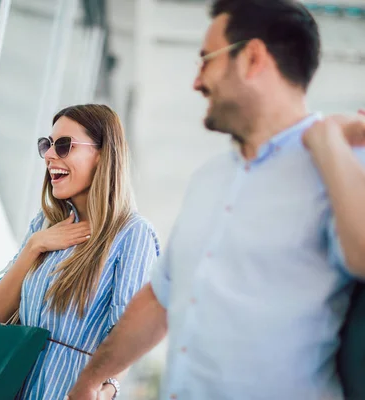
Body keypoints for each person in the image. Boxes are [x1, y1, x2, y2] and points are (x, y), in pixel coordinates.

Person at [67, 1, 365, 399]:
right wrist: (87, 382)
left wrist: (327, 138)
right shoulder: (208, 179)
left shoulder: (343, 162)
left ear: (253, 58)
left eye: (206, 59)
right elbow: (160, 297)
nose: (196, 81)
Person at [0, 104, 160, 399]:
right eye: (48, 145)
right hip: (15, 389)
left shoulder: (133, 234)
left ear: (102, 155)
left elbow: (127, 332)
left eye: (64, 145)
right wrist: (35, 245)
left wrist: (107, 389)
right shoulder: (43, 225)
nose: (50, 155)